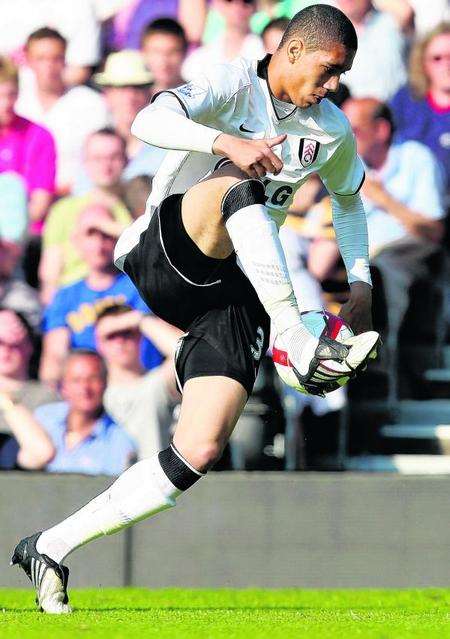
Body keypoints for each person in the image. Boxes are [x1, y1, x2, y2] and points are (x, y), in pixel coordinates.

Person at [12, 5, 379, 613]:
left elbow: (348, 200)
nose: (334, 83)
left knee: (199, 449)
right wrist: (224, 138)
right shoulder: (230, 83)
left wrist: (360, 284)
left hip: (235, 289)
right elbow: (149, 120)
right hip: (166, 254)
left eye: (341, 74)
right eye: (328, 69)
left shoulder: (332, 128)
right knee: (239, 180)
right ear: (292, 52)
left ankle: (50, 546)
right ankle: (294, 334)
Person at [40, 205, 162, 387]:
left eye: (105, 234)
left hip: (145, 383)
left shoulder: (141, 281)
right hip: (92, 391)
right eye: (91, 234)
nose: (99, 244)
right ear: (76, 242)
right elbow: (54, 356)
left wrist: (111, 226)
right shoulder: (65, 296)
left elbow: (154, 249)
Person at [39, 128, 131, 303]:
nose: (106, 165)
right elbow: (50, 274)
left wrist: (104, 225)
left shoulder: (138, 206)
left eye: (113, 157)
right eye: (97, 159)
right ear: (85, 162)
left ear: (126, 160)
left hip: (125, 298)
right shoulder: (63, 210)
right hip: (73, 302)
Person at [16, 28, 109, 194]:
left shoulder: (90, 103)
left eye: (56, 58)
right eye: (41, 58)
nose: (49, 66)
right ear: (28, 61)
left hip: (77, 196)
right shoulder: (16, 102)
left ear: (65, 60)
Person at [96, 304, 182, 459]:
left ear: (140, 336)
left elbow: (184, 354)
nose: (120, 341)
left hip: (154, 478)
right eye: (111, 336)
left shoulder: (156, 382)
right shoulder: (91, 391)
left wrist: (141, 319)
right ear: (98, 343)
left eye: (127, 332)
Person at [34, 350, 137, 475]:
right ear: (63, 387)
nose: (85, 388)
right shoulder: (43, 418)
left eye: (93, 379)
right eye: (76, 380)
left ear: (105, 383)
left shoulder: (120, 441)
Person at [390, 22, 450, 190]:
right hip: (409, 195)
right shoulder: (405, 100)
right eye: (437, 58)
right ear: (424, 64)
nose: (446, 66)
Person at [0, 56, 56, 236]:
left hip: (25, 237)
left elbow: (40, 203)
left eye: (11, 94)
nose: (6, 103)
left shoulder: (39, 135)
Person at [0, 309, 58, 468]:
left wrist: (5, 398)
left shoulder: (48, 395)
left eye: (14, 342)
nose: (6, 349)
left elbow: (42, 453)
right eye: (0, 342)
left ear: (30, 344)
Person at [335, 0, 407, 100]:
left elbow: (406, 12)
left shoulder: (390, 20)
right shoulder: (330, 31)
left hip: (394, 110)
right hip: (350, 113)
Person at [182, 0, 266, 81]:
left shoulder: (266, 53)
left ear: (256, 5)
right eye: (229, 0)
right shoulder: (198, 60)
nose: (237, 5)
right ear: (217, 3)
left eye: (247, 0)